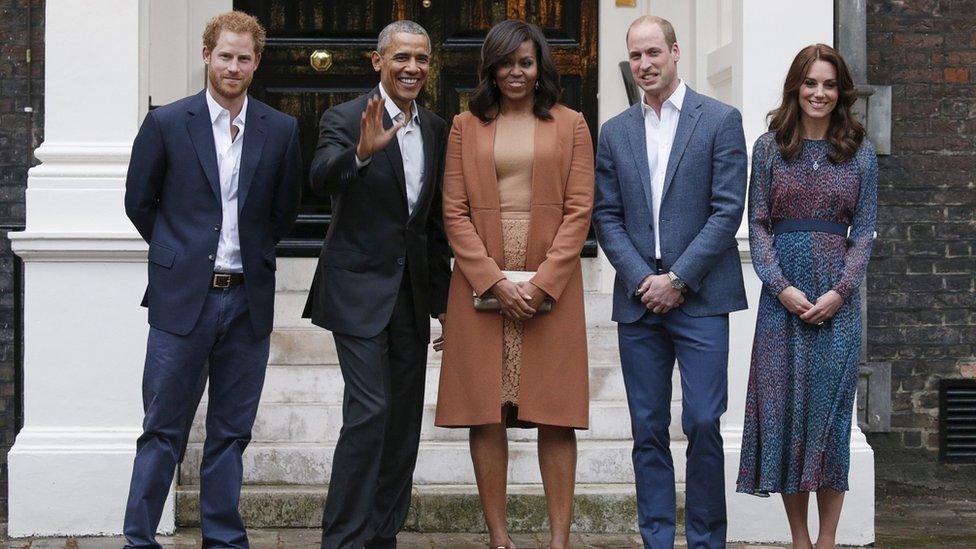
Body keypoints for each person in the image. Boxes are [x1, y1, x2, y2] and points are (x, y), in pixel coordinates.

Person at [122, 10, 302, 548]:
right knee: (162, 429)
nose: (234, 66)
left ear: (256, 63)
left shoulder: (282, 128)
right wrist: (179, 255)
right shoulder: (168, 124)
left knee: (231, 431)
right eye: (225, 55)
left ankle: (223, 539)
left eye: (244, 57)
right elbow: (139, 203)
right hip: (183, 302)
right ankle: (139, 538)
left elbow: (284, 211)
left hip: (247, 301)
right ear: (206, 56)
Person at [433, 19, 594, 549]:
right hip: (482, 276)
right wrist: (492, 280)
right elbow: (454, 212)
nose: (516, 72)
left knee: (556, 412)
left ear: (540, 66)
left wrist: (545, 282)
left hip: (554, 281)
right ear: (491, 68)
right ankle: (499, 537)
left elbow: (579, 211)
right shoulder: (464, 126)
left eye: (525, 62)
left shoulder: (572, 124)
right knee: (486, 410)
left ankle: (559, 540)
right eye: (506, 63)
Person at [592, 15, 748, 549]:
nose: (644, 64)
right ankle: (656, 537)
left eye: (654, 53)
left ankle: (706, 540)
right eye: (635, 56)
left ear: (675, 52)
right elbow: (606, 217)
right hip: (640, 305)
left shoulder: (720, 120)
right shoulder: (614, 132)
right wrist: (643, 279)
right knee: (647, 428)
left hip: (701, 298)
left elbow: (727, 212)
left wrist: (678, 279)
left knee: (704, 421)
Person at [300, 19, 452, 549]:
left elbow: (430, 225)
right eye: (402, 58)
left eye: (422, 59)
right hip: (357, 291)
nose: (413, 68)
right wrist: (361, 153)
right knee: (370, 412)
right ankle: (342, 539)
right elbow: (320, 178)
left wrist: (444, 304)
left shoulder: (436, 128)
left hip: (410, 299)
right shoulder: (345, 118)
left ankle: (381, 535)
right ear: (378, 61)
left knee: (404, 423)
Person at [736, 44, 877, 549]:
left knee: (830, 419)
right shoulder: (769, 148)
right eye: (811, 83)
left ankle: (828, 541)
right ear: (797, 86)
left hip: (838, 302)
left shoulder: (859, 151)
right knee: (787, 417)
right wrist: (781, 288)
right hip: (783, 304)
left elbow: (865, 231)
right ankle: (800, 539)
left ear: (841, 92)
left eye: (830, 84)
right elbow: (758, 223)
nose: (820, 93)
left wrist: (841, 292)